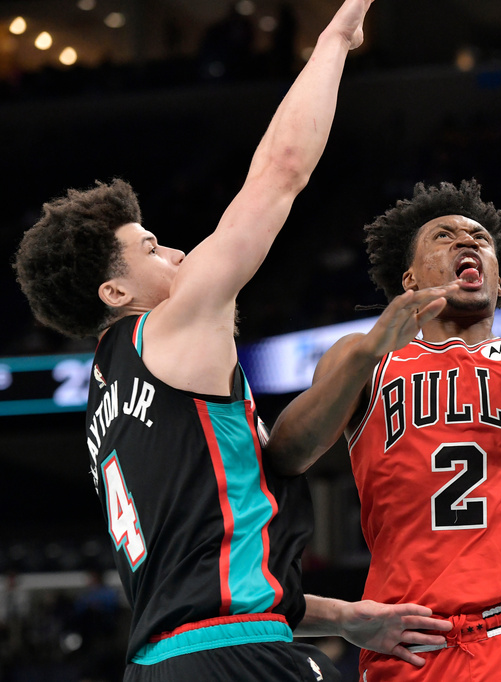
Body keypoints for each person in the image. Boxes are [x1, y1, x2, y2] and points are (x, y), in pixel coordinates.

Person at [12, 1, 451, 679]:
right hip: (234, 659)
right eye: (151, 248)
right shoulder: (170, 330)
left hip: (163, 664)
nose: (177, 253)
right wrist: (336, 39)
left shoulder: (107, 403)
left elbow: (206, 582)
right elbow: (280, 172)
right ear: (115, 293)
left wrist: (349, 618)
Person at [266, 97, 501, 679]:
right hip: (414, 643)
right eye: (444, 236)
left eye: (480, 239)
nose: (467, 242)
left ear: (498, 278)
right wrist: (368, 351)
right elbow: (286, 453)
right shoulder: (365, 357)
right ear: (409, 277)